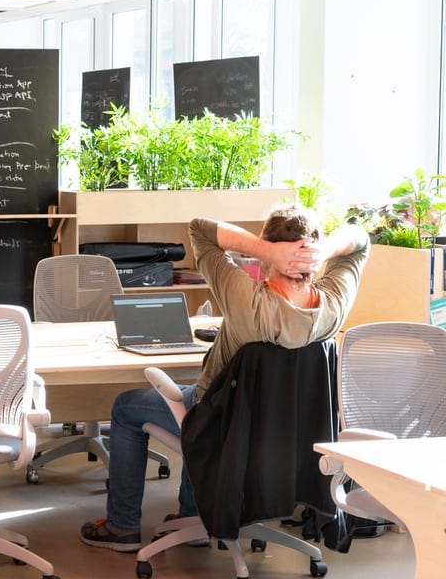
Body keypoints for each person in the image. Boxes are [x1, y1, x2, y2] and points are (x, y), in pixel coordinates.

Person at [80, 206, 370, 552]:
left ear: (268, 250)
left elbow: (200, 230)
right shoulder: (334, 306)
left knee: (128, 406)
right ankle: (194, 513)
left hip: (224, 427)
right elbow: (361, 241)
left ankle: (122, 526)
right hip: (283, 439)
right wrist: (320, 251)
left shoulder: (244, 301)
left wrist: (267, 251)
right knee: (210, 398)